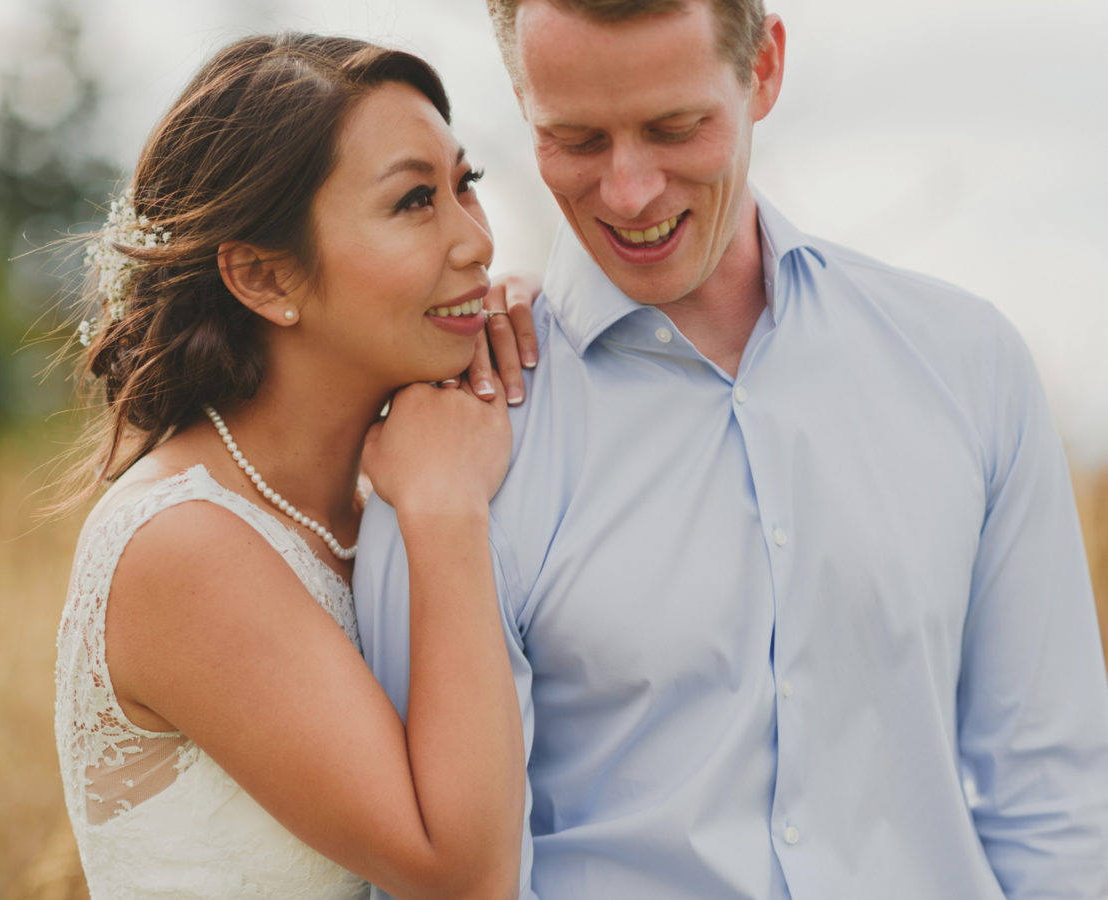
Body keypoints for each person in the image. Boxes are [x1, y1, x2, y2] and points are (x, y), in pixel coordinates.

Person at [353, 1, 1108, 898]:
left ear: (764, 72)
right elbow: (441, 870)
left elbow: (1051, 793)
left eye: (677, 128)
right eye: (578, 140)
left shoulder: (966, 364)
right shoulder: (451, 445)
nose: (629, 193)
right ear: (523, 104)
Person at [53, 33, 536, 899]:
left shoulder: (362, 494)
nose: (475, 243)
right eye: (414, 202)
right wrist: (445, 509)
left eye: (466, 186)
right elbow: (466, 875)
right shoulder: (181, 545)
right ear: (264, 277)